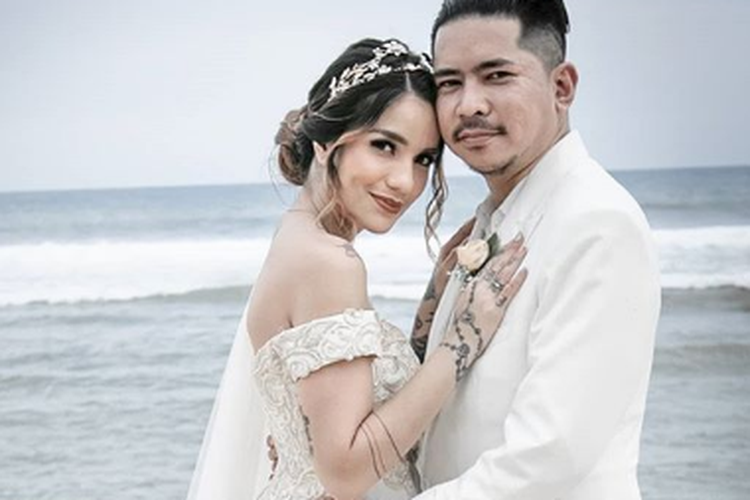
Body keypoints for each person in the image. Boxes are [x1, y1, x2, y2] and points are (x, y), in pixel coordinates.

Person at [186, 38, 528, 500]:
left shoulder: (296, 239)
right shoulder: (330, 263)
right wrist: (463, 339)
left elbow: (341, 417)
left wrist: (434, 299)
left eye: (423, 159)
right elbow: (345, 472)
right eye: (384, 146)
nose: (405, 181)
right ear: (326, 142)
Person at [410, 1, 662, 499]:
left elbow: (550, 453)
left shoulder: (597, 224)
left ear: (561, 87)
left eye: (497, 76)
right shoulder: (487, 224)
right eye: (449, 83)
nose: (469, 105)